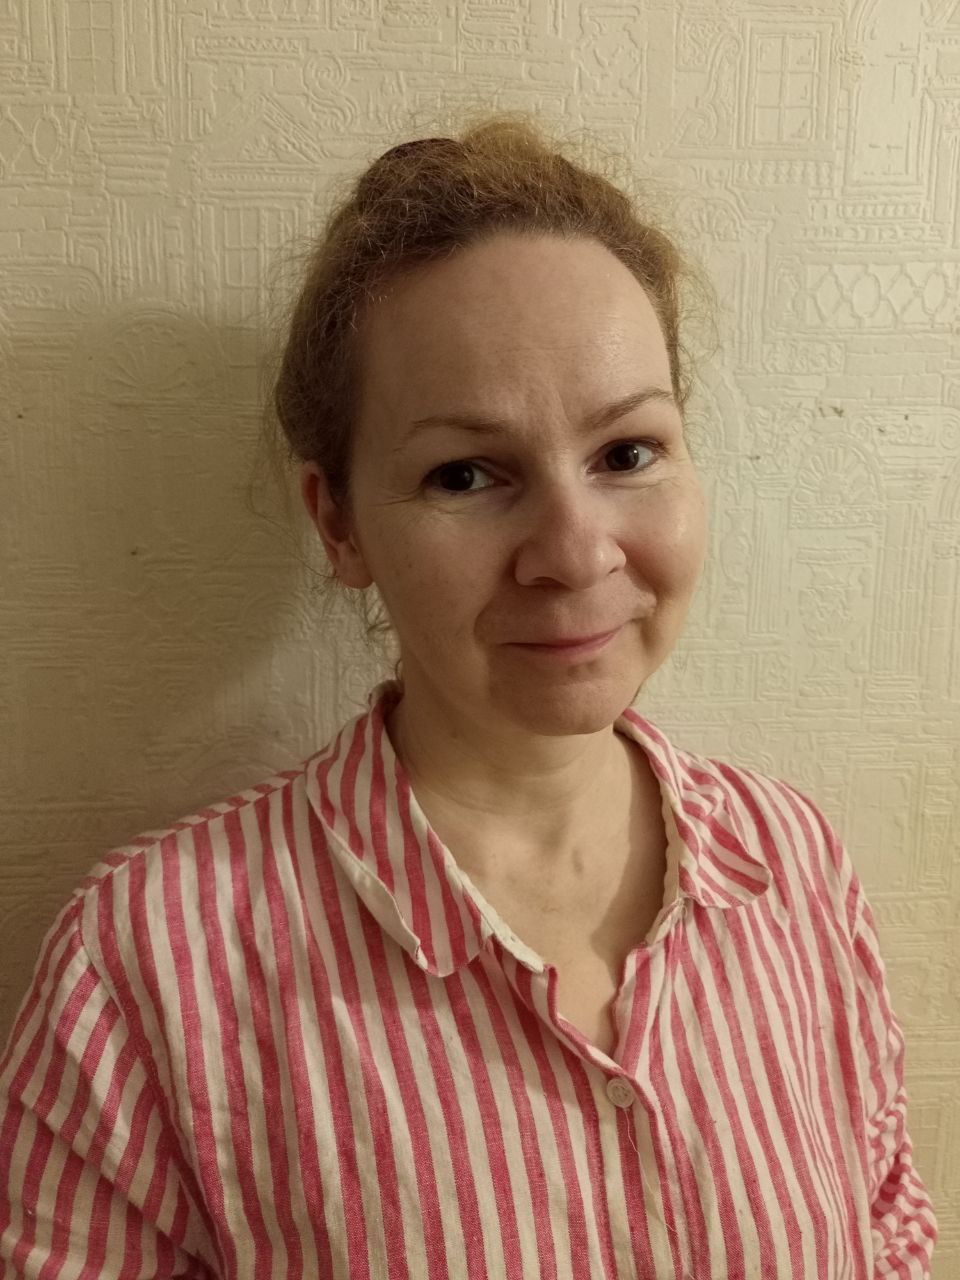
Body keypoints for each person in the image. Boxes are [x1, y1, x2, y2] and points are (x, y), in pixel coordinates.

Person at [0, 114, 937, 1278]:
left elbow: (888, 1224)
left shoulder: (795, 866)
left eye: (627, 452)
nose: (575, 552)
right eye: (466, 474)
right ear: (340, 523)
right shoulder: (147, 964)